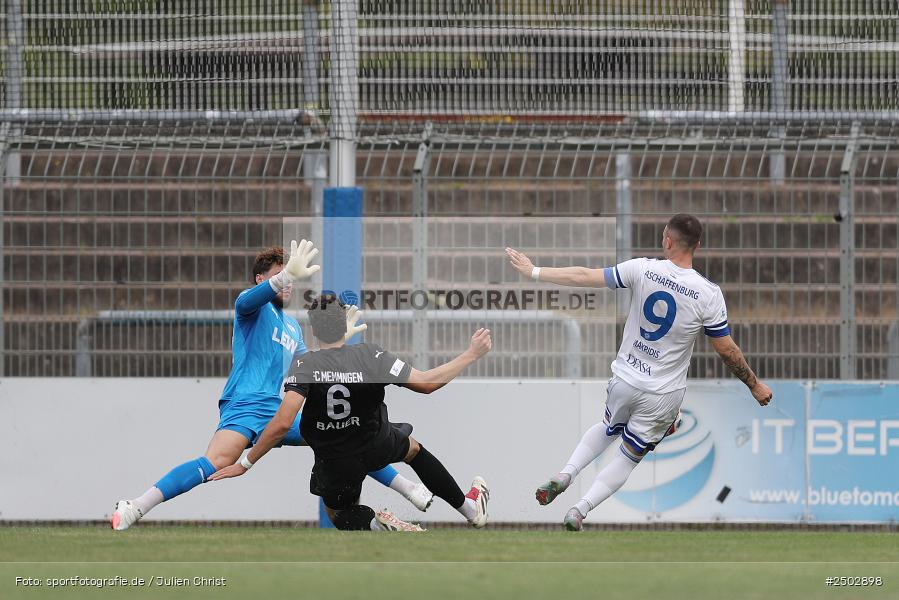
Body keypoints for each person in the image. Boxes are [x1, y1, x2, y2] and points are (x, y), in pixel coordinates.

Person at [110, 242, 432, 530]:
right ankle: (136, 506)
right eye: (281, 276)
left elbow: (313, 366)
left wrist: (339, 341)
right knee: (216, 462)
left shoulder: (291, 326)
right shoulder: (250, 309)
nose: (289, 283)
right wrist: (285, 275)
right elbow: (248, 300)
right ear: (261, 279)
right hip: (246, 404)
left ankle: (408, 489)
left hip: (277, 411)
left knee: (341, 434)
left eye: (291, 276)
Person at [506, 213, 773, 530]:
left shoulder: (642, 269)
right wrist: (754, 385)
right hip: (663, 395)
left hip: (626, 378)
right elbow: (727, 350)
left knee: (607, 427)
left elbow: (584, 276)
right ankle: (579, 509)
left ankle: (566, 473)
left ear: (667, 239)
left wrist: (534, 270)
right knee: (629, 456)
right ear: (697, 246)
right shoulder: (708, 293)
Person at [211, 294, 492, 532]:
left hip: (335, 460)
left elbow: (283, 423)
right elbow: (428, 384)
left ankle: (375, 523)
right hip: (377, 445)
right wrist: (471, 354)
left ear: (315, 330)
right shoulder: (372, 355)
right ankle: (469, 510)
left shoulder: (306, 365)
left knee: (336, 513)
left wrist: (245, 463)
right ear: (344, 323)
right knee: (414, 450)